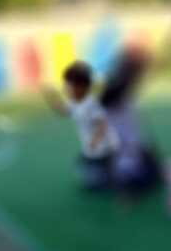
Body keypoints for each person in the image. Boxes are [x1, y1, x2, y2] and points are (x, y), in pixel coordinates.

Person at [42, 61, 118, 190]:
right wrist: (52, 99)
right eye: (66, 85)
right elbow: (63, 111)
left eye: (69, 86)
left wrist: (95, 140)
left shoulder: (91, 104)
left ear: (82, 87)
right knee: (85, 171)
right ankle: (103, 171)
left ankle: (111, 173)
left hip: (104, 149)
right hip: (91, 150)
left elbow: (102, 123)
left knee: (94, 183)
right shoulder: (74, 102)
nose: (66, 89)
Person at [100, 47, 162, 195]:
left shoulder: (122, 94)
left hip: (126, 148)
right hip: (120, 152)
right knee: (141, 177)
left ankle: (122, 180)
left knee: (152, 170)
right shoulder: (115, 94)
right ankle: (122, 184)